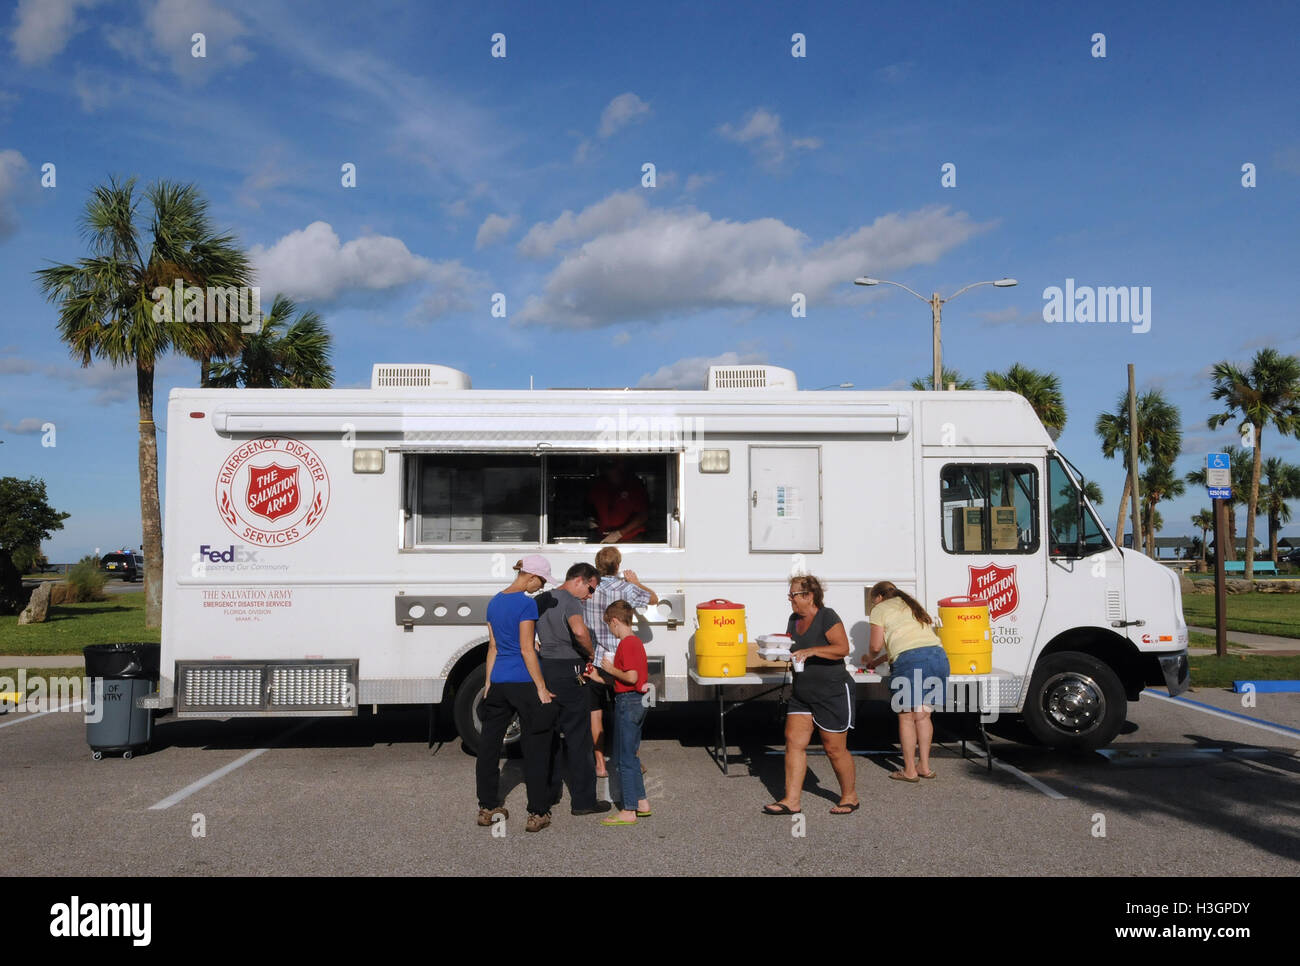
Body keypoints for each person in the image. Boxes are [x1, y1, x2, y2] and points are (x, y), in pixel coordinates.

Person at [762, 575, 860, 816]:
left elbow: (842, 649)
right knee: (793, 742)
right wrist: (777, 651)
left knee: (834, 748)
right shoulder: (794, 619)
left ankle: (850, 796)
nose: (790, 599)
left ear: (809, 596)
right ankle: (791, 800)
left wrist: (812, 651)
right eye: (790, 594)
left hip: (832, 691)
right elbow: (794, 650)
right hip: (802, 692)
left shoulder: (827, 616)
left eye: (793, 594)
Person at [477, 555, 558, 833]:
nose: (542, 586)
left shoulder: (495, 601)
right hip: (523, 681)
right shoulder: (525, 604)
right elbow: (526, 649)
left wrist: (489, 682)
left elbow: (493, 647)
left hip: (498, 680)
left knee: (489, 746)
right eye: (543, 581)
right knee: (536, 745)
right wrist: (541, 687)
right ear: (531, 576)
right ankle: (537, 812)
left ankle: (487, 807)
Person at [535, 561, 612, 816]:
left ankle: (549, 793)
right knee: (578, 738)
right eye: (590, 589)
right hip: (570, 669)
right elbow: (579, 631)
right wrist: (590, 653)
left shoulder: (542, 598)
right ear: (579, 580)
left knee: (550, 734)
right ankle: (583, 801)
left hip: (546, 669)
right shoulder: (571, 601)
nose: (590, 596)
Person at [862, 580, 950, 782]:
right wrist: (877, 662)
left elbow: (876, 645)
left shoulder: (880, 608)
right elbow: (910, 643)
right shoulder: (911, 605)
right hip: (938, 658)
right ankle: (924, 767)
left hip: (911, 662)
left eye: (872, 602)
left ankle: (909, 770)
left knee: (906, 717)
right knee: (924, 716)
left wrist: (869, 657)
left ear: (879, 597)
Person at [584, 546, 659, 777]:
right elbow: (654, 599)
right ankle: (632, 757)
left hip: (597, 658)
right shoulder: (627, 588)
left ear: (597, 565)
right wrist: (636, 582)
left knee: (595, 711)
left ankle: (600, 764)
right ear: (618, 565)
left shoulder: (590, 590)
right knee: (624, 711)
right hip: (621, 660)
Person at [585, 599, 651, 826]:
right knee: (630, 755)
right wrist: (600, 676)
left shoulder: (627, 643)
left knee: (623, 759)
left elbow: (631, 677)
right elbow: (627, 679)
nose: (610, 631)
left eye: (609, 626)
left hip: (628, 702)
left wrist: (610, 669)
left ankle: (629, 809)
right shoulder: (634, 643)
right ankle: (641, 802)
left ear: (615, 621)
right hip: (634, 700)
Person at [587, 459, 650, 543]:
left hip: (631, 539)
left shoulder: (634, 486)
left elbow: (643, 515)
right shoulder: (598, 486)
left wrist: (619, 534)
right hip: (603, 538)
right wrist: (592, 521)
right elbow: (589, 506)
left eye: (612, 466)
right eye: (605, 466)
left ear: (621, 466)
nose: (608, 470)